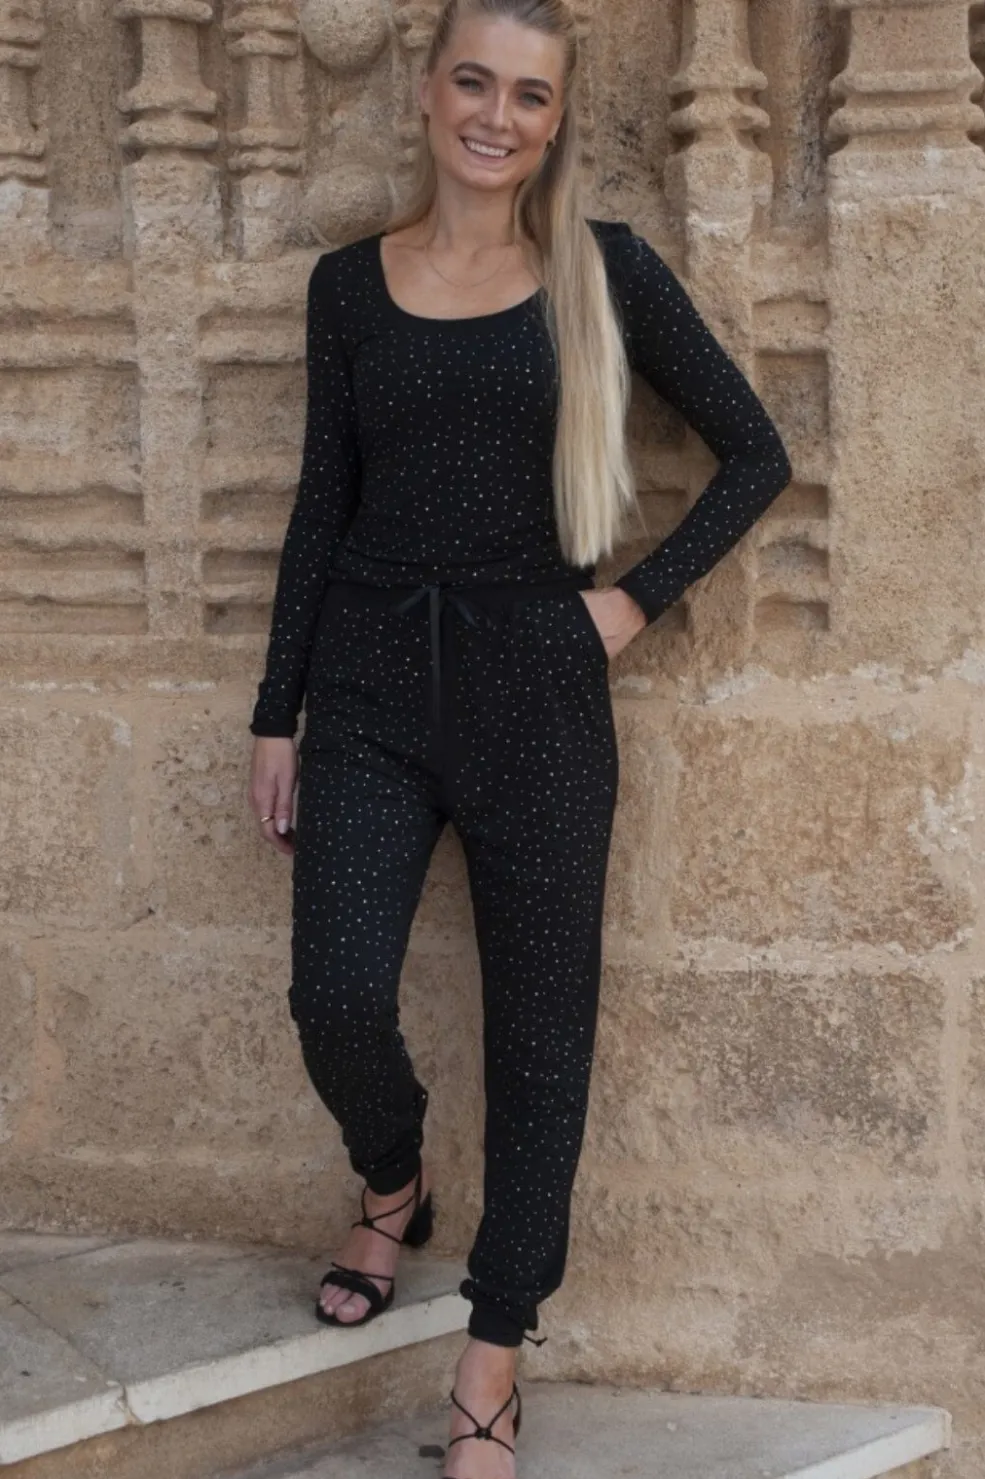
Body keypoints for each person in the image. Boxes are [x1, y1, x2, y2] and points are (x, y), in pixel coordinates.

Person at [247, 1, 792, 1472]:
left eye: (530, 95)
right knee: (332, 993)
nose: (498, 116)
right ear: (429, 95)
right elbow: (319, 504)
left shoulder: (602, 273)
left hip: (538, 695)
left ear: (556, 121)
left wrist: (631, 604)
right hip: (368, 689)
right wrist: (277, 711)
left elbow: (757, 453)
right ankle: (393, 1179)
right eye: (475, 82)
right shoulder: (347, 287)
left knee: (544, 1038)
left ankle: (492, 1354)